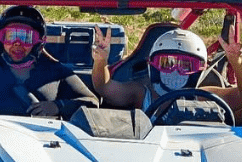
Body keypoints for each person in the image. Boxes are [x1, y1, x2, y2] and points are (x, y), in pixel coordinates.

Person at [92, 26, 242, 118]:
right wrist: (101, 61)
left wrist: (236, 62)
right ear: (152, 65)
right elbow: (104, 87)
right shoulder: (142, 95)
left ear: (200, 69)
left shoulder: (203, 97)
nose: (175, 71)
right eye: (166, 63)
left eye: (185, 65)